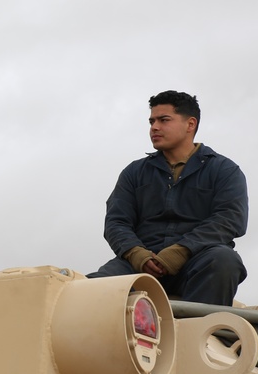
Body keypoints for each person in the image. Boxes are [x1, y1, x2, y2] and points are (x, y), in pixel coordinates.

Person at [88, 90, 248, 305]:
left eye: (164, 120)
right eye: (152, 121)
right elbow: (116, 221)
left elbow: (230, 219)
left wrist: (181, 251)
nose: (154, 127)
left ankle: (204, 332)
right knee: (88, 290)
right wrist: (137, 254)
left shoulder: (224, 170)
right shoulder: (134, 172)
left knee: (224, 261)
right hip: (141, 263)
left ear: (190, 124)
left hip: (197, 261)